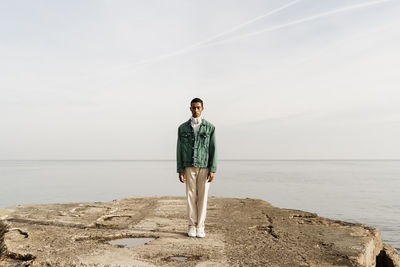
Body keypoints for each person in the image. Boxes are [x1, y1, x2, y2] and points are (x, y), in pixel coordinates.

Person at [176, 97, 217, 238]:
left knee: (203, 197)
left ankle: (200, 226)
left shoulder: (210, 127)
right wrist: (180, 169)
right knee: (190, 197)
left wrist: (213, 169)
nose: (196, 110)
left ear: (202, 108)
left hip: (204, 166)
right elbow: (179, 149)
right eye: (193, 107)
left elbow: (213, 149)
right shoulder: (182, 128)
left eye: (198, 107)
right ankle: (192, 226)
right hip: (188, 166)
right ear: (190, 109)